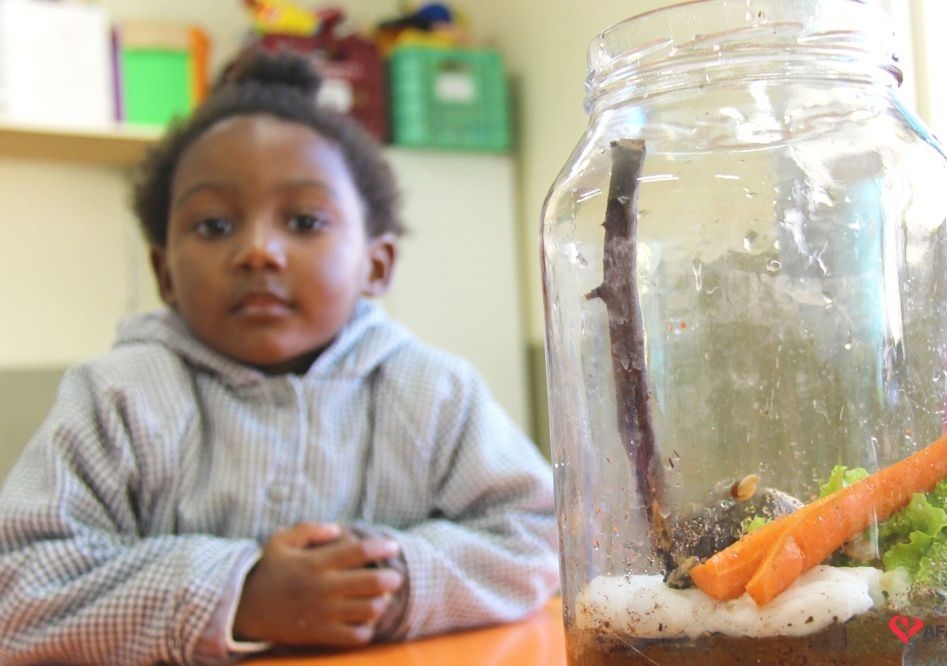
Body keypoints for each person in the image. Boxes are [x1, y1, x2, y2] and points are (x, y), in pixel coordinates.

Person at [0, 50, 559, 665]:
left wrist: (384, 581)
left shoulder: (434, 390)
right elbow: (19, 590)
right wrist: (240, 595)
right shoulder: (116, 397)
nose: (259, 251)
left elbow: (539, 536)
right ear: (165, 273)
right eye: (214, 226)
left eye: (305, 221)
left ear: (376, 265)